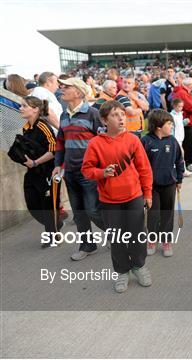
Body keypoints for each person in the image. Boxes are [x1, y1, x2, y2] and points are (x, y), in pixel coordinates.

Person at [81, 100, 153, 293]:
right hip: (109, 200)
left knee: (138, 235)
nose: (121, 117)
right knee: (117, 238)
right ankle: (122, 271)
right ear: (104, 120)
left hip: (134, 196)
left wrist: (147, 193)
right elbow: (87, 170)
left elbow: (144, 169)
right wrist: (102, 173)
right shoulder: (95, 144)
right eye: (115, 115)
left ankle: (139, 266)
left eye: (122, 113)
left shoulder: (133, 140)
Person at [52, 77, 105, 261]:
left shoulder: (92, 113)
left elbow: (103, 141)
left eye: (66, 86)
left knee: (93, 210)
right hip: (70, 173)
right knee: (79, 212)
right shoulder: (64, 115)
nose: (62, 89)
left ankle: (122, 236)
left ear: (78, 92)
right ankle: (87, 245)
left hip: (89, 173)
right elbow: (60, 142)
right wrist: (58, 165)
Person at [18, 96, 61, 247]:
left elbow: (53, 149)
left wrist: (35, 162)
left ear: (35, 109)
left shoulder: (43, 126)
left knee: (47, 205)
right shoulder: (25, 127)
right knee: (32, 205)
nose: (20, 108)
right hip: (32, 172)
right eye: (21, 105)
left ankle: (52, 233)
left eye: (24, 106)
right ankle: (56, 223)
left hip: (48, 171)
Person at [141, 109, 185, 257]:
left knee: (167, 213)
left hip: (169, 184)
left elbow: (180, 161)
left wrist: (179, 179)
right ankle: (152, 239)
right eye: (169, 124)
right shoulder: (146, 141)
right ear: (159, 126)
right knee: (153, 214)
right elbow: (140, 165)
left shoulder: (172, 141)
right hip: (151, 186)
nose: (171, 127)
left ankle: (166, 241)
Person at [173, 78, 192, 173]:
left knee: (186, 144)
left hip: (184, 121)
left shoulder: (181, 92)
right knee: (190, 144)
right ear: (190, 85)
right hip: (186, 122)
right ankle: (188, 164)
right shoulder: (182, 93)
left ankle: (185, 165)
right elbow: (190, 107)